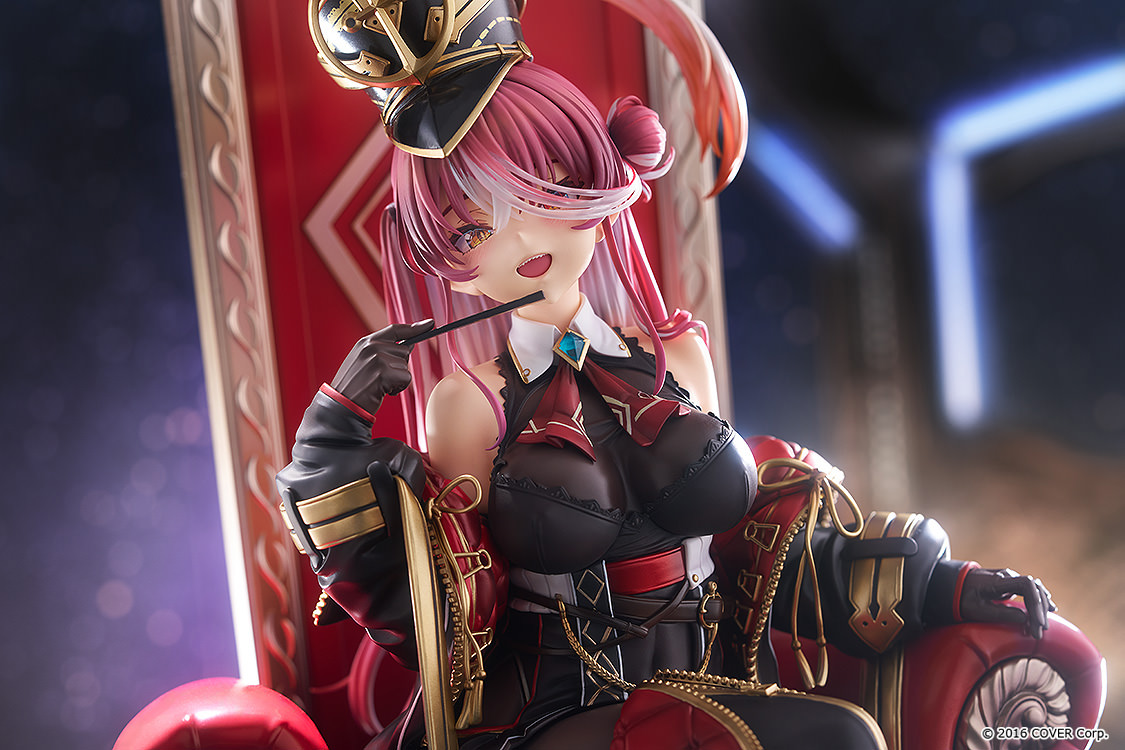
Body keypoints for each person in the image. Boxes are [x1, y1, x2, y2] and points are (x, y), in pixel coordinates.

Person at [279, 2, 1055, 748]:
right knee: (837, 737)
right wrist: (335, 426)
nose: (521, 239)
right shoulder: (468, 404)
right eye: (472, 228)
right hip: (553, 713)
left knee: (836, 735)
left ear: (595, 174)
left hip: (709, 683)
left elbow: (756, 553)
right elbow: (435, 606)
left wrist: (941, 586)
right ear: (445, 257)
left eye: (541, 185)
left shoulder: (677, 358)